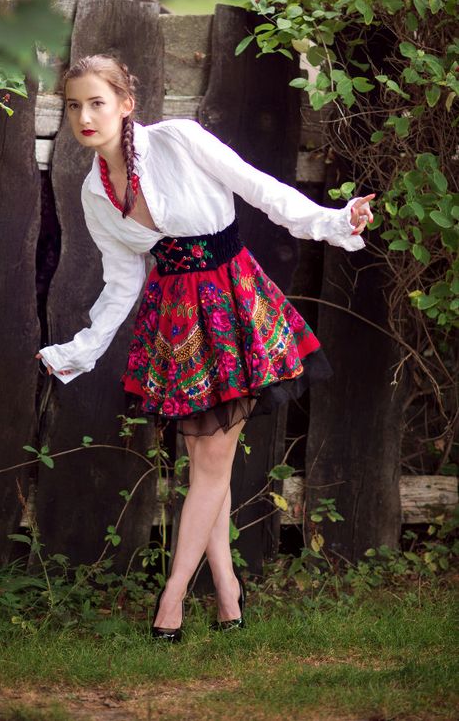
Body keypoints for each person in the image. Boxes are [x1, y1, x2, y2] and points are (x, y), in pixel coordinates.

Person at [35, 53, 375, 641]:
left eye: (97, 102)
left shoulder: (180, 140)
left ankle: (171, 603)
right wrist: (81, 349)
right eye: (73, 105)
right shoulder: (95, 191)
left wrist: (335, 220)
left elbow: (260, 188)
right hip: (175, 322)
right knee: (204, 468)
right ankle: (229, 595)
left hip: (232, 307)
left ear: (125, 104)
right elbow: (122, 281)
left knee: (210, 468)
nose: (85, 116)